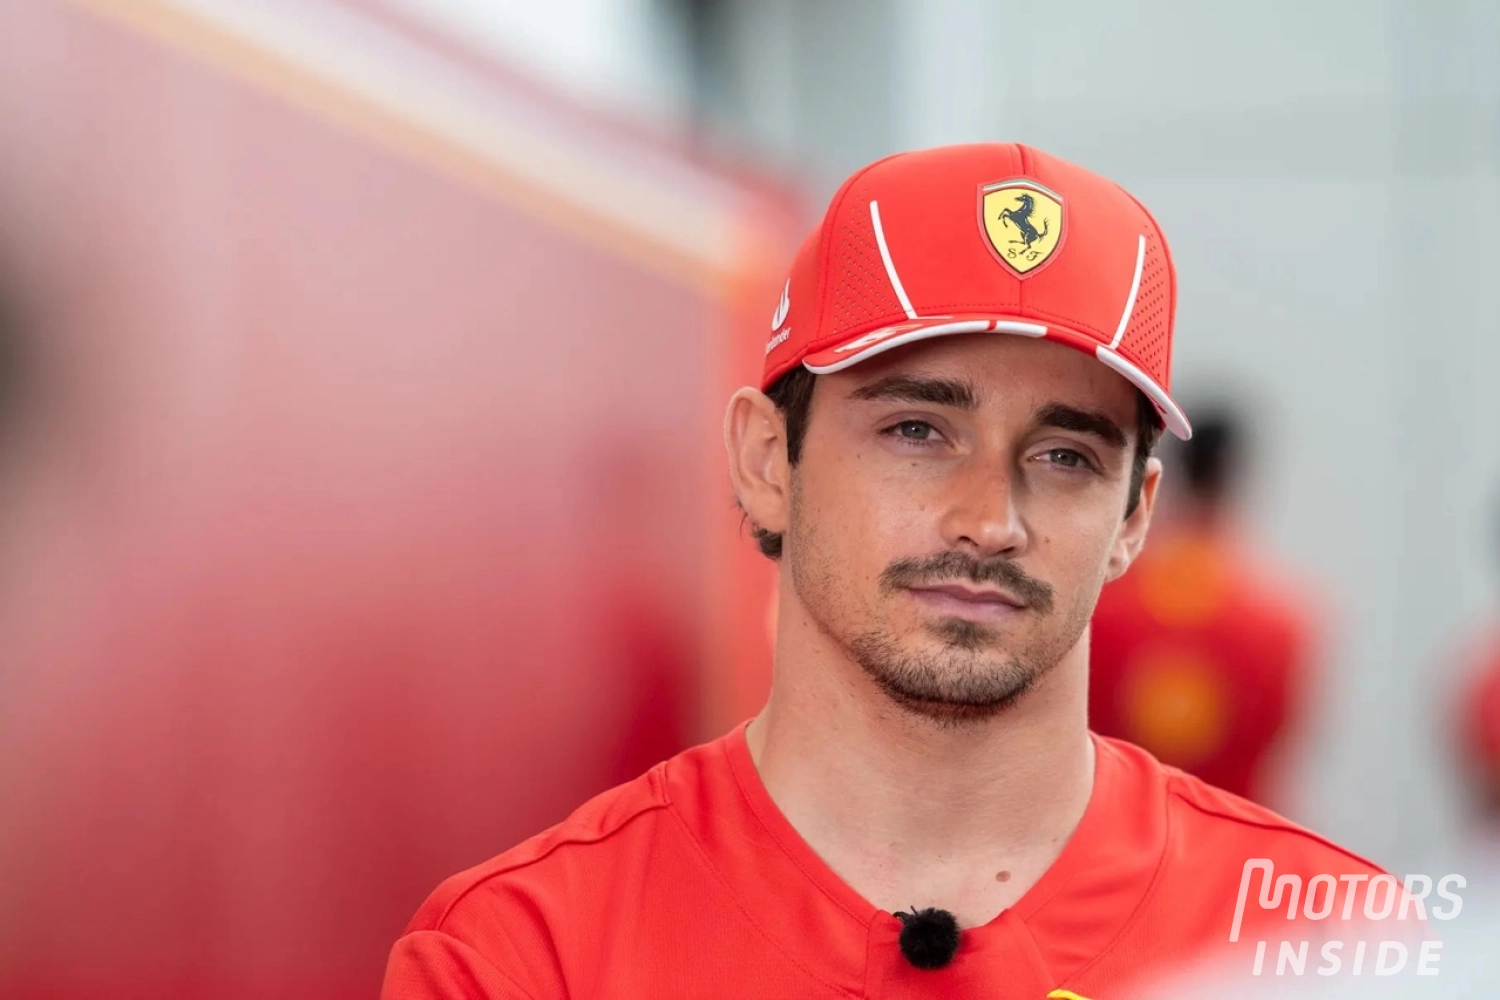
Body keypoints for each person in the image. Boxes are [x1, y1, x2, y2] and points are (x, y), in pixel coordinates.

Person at [382, 144, 1389, 999]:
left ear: (1135, 516)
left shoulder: (1336, 953)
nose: (990, 520)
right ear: (769, 462)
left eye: (1065, 456)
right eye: (918, 429)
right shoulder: (527, 955)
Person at [1088, 407, 1320, 805]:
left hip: (1120, 825)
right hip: (1241, 839)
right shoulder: (1283, 620)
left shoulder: (1105, 599)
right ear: (1239, 474)